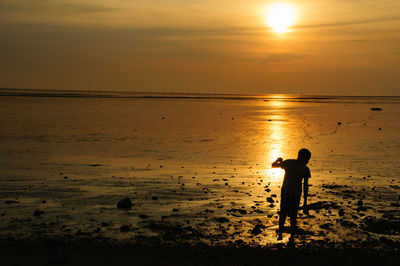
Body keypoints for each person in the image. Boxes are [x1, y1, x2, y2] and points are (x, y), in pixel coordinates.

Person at [272, 148, 311, 242]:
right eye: (307, 159)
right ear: (303, 157)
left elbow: (273, 165)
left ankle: (280, 234)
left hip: (285, 192)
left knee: (283, 213)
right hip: (296, 194)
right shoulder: (305, 169)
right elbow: (305, 186)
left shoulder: (288, 163)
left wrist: (278, 160)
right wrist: (305, 201)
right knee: (293, 215)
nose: (308, 161)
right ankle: (292, 237)